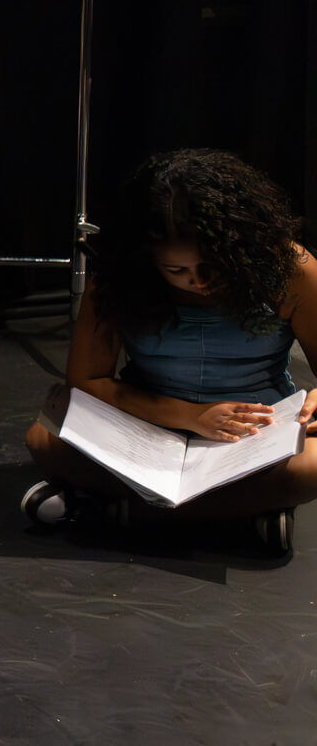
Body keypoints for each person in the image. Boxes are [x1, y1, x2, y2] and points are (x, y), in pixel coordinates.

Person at [21, 149, 317, 554]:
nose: (196, 281)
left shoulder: (291, 269)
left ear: (241, 247)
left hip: (254, 433)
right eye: (175, 271)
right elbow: (86, 381)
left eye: (211, 266)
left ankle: (116, 513)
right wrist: (192, 417)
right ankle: (244, 513)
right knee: (43, 438)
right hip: (148, 423)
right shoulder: (118, 279)